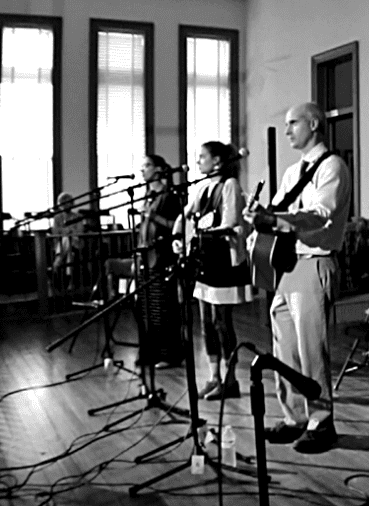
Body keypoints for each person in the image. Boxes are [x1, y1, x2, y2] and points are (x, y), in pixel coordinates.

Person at [244, 102, 352, 454]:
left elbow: (322, 212)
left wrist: (278, 220)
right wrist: (260, 215)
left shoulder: (333, 166)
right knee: (284, 344)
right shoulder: (293, 171)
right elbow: (278, 212)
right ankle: (294, 417)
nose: (288, 130)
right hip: (288, 265)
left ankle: (322, 421)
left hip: (315, 262)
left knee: (310, 348)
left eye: (293, 123)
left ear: (314, 123)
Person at [172, 141, 252, 401]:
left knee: (221, 322)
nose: (198, 162)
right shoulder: (201, 187)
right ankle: (213, 376)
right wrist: (178, 236)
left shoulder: (229, 186)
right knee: (206, 322)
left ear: (217, 161)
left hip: (223, 262)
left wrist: (201, 233)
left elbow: (229, 222)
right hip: (206, 260)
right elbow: (185, 215)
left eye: (202, 157)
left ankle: (230, 380)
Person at [136, 154, 184, 369]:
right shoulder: (148, 195)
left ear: (158, 169)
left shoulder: (169, 195)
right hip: (146, 257)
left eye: (147, 165)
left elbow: (176, 224)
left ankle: (170, 354)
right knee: (146, 308)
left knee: (163, 308)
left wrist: (152, 215)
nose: (142, 170)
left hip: (162, 257)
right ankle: (150, 352)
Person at [51, 191, 83, 294]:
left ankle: (58, 260)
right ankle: (70, 282)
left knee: (67, 239)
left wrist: (66, 231)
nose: (66, 205)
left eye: (68, 202)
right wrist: (69, 231)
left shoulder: (77, 216)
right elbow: (55, 232)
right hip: (64, 244)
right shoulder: (57, 218)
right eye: (63, 203)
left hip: (75, 243)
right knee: (69, 252)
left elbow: (80, 231)